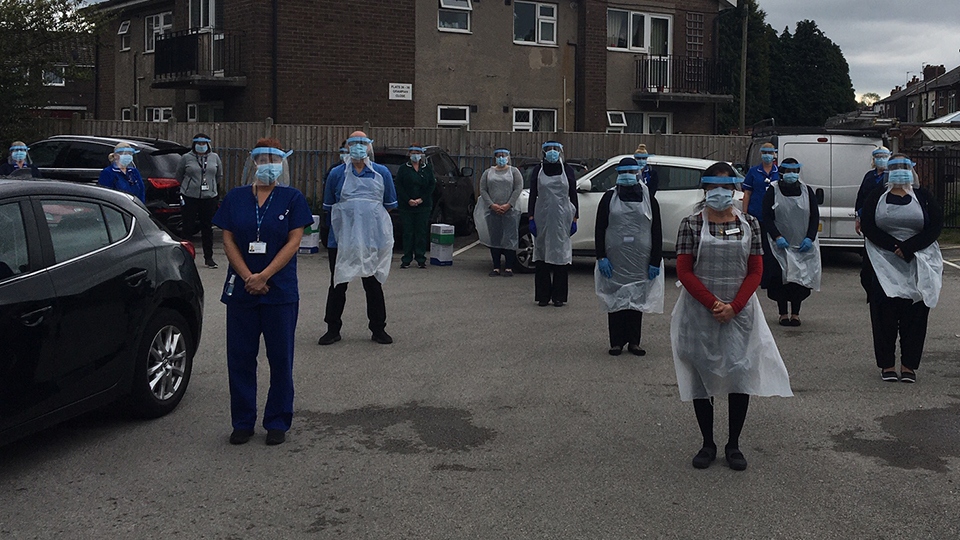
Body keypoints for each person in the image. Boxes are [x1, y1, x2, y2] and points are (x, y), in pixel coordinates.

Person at [671, 162, 792, 471]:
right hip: (699, 312)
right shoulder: (690, 225)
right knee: (702, 375)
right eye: (715, 188)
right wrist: (713, 304)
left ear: (736, 190)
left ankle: (734, 444)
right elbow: (684, 271)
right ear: (705, 189)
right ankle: (707, 443)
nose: (721, 194)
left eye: (727, 188)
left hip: (740, 313)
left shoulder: (751, 223)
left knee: (739, 374)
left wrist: (734, 306)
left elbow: (756, 271)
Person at [211, 138, 314, 446]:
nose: (268, 165)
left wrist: (265, 275)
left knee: (280, 358)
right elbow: (227, 240)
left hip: (279, 290)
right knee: (240, 358)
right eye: (262, 159)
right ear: (252, 162)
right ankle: (242, 421)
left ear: (282, 163)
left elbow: (294, 242)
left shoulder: (292, 198)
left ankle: (277, 420)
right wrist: (247, 276)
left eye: (274, 159)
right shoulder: (236, 197)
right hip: (243, 290)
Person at [860, 155, 943, 384]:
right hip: (882, 263)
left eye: (904, 168)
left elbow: (936, 225)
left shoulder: (924, 197)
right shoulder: (877, 196)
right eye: (895, 168)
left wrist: (909, 248)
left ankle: (909, 366)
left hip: (917, 263)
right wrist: (893, 247)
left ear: (911, 171)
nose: (900, 172)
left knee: (915, 315)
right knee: (884, 314)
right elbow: (868, 225)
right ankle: (887, 364)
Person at [318, 131, 397, 345]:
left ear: (369, 147)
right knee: (338, 283)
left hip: (372, 239)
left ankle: (378, 328)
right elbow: (329, 206)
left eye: (363, 142)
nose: (359, 147)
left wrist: (368, 222)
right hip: (341, 239)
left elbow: (388, 205)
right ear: (347, 147)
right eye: (354, 143)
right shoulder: (336, 174)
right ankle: (332, 328)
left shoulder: (382, 173)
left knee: (372, 283)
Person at [595, 157, 664, 356]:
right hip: (614, 258)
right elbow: (600, 227)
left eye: (630, 172)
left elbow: (657, 229)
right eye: (623, 172)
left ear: (638, 173)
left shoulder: (649, 198)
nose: (627, 176)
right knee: (615, 298)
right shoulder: (608, 198)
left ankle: (634, 342)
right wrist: (601, 257)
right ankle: (616, 342)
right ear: (618, 174)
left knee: (636, 299)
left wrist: (655, 260)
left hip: (640, 259)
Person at [760, 158, 821, 326]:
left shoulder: (807, 191)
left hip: (802, 243)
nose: (791, 175)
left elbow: (815, 216)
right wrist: (777, 236)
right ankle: (782, 313)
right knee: (781, 278)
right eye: (788, 171)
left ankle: (795, 313)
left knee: (798, 279)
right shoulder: (773, 190)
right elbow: (766, 216)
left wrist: (810, 237)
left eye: (794, 171)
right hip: (779, 244)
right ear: (781, 173)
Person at [528, 141, 579, 307]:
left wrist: (575, 218)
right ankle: (543, 296)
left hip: (562, 216)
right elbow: (532, 194)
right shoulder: (538, 170)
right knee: (542, 254)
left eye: (555, 150)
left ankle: (559, 296)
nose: (552, 153)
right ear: (543, 152)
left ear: (560, 152)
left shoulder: (568, 170)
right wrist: (530, 218)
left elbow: (573, 194)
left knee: (560, 256)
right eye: (549, 150)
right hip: (542, 215)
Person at [176, 133, 223, 268]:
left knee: (207, 227)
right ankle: (186, 257)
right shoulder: (186, 158)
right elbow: (179, 175)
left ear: (208, 144)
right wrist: (189, 186)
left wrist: (212, 189)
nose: (201, 146)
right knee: (188, 227)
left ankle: (209, 258)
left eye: (204, 144)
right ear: (194, 144)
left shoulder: (215, 158)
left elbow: (219, 175)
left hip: (209, 197)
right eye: (198, 143)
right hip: (189, 196)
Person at [475, 148, 523, 276]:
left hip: (510, 211)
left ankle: (508, 267)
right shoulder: (488, 173)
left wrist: (508, 205)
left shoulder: (514, 172)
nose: (501, 158)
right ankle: (496, 266)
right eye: (498, 156)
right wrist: (492, 205)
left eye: (504, 155)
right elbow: (483, 189)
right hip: (492, 211)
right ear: (495, 158)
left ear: (508, 157)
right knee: (495, 238)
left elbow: (518, 188)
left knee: (510, 238)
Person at [394, 144, 436, 269]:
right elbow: (399, 186)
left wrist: (421, 199)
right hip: (406, 206)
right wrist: (408, 200)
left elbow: (431, 185)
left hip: (423, 206)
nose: (415, 155)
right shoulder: (403, 168)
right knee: (408, 232)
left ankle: (420, 258)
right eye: (412, 152)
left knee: (421, 232)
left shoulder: (426, 168)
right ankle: (406, 258)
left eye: (417, 152)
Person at [855, 147, 891, 235]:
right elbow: (861, 197)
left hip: (885, 217)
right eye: (878, 157)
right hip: (868, 216)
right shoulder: (869, 176)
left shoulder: (891, 176)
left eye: (884, 156)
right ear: (874, 159)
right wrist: (858, 218)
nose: (881, 159)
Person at [741, 142, 779, 222]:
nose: (767, 155)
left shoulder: (778, 172)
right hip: (755, 212)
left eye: (770, 153)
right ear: (761, 154)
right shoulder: (753, 171)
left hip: (775, 213)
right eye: (765, 153)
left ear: (774, 154)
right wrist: (744, 213)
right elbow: (747, 193)